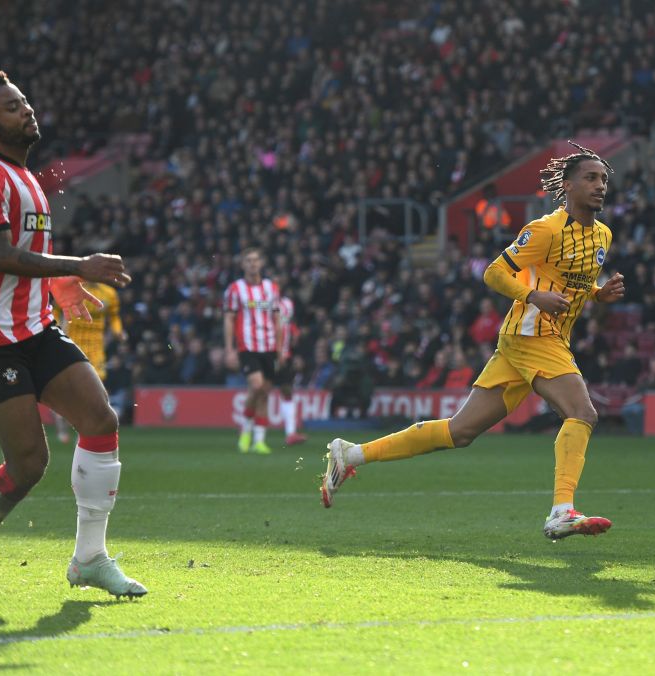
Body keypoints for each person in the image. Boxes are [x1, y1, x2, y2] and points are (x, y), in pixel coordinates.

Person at [321, 141, 626, 541]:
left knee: (458, 432)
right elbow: (494, 273)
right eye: (590, 178)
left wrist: (597, 295)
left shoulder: (603, 236)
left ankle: (350, 454)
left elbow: (572, 285)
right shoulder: (544, 230)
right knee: (583, 413)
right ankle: (561, 511)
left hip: (538, 341)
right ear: (567, 186)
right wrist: (533, 296)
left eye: (603, 179)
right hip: (531, 336)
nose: (600, 185)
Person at [0, 71, 146, 600]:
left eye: (24, 99)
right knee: (29, 463)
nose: (26, 109)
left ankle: (90, 558)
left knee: (100, 420)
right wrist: (82, 263)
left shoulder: (27, 177)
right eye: (11, 107)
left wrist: (60, 284)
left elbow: (20, 260)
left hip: (34, 325)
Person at [52, 281, 126, 443]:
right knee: (67, 392)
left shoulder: (109, 293)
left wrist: (118, 332)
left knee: (98, 391)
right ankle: (63, 428)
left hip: (96, 348)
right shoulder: (70, 288)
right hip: (71, 345)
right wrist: (56, 329)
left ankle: (89, 428)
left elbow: (114, 317)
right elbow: (55, 312)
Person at [224, 247, 281, 454]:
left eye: (256, 260)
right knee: (256, 386)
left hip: (269, 345)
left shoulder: (271, 288)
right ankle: (246, 430)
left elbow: (277, 318)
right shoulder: (235, 289)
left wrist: (281, 348)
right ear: (243, 264)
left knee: (264, 392)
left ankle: (259, 441)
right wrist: (229, 349)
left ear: (261, 263)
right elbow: (229, 319)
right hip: (247, 346)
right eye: (248, 261)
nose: (252, 264)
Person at [275, 285, 307, 445]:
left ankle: (291, 434)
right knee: (260, 391)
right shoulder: (263, 305)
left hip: (285, 355)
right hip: (267, 353)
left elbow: (289, 324)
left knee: (287, 390)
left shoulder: (287, 304)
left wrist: (295, 333)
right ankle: (248, 432)